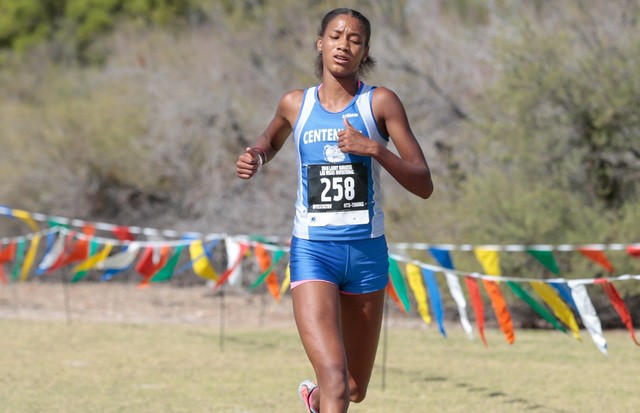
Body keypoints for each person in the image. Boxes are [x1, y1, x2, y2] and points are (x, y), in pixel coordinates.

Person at [236, 8, 433, 413]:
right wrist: (256, 155)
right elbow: (270, 140)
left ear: (365, 51)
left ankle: (313, 401)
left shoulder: (380, 103)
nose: (344, 44)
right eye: (336, 35)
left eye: (355, 39)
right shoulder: (296, 103)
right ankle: (324, 393)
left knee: (354, 389)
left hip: (366, 254)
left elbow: (423, 183)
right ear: (320, 43)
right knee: (335, 381)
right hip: (313, 252)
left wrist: (374, 149)